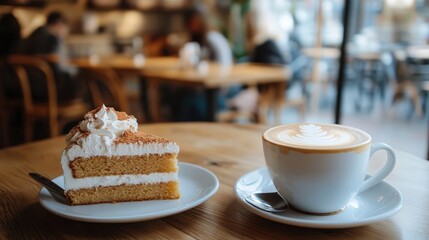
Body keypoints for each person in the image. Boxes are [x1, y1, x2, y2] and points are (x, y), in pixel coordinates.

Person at [19, 11, 81, 103]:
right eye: (65, 29)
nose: (65, 33)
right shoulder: (52, 37)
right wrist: (77, 69)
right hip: (47, 91)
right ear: (58, 24)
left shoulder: (33, 35)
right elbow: (60, 66)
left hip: (24, 89)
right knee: (86, 80)